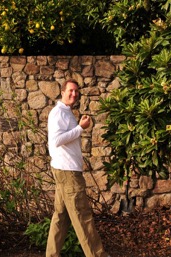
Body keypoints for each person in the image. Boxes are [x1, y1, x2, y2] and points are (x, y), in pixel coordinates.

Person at [46, 79, 110, 257]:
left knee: (61, 216)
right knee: (83, 216)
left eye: (76, 92)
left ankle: (52, 254)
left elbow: (67, 138)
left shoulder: (66, 112)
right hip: (68, 173)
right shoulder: (57, 113)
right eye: (70, 91)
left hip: (65, 170)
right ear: (62, 91)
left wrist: (77, 125)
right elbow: (57, 141)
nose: (74, 94)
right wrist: (80, 128)